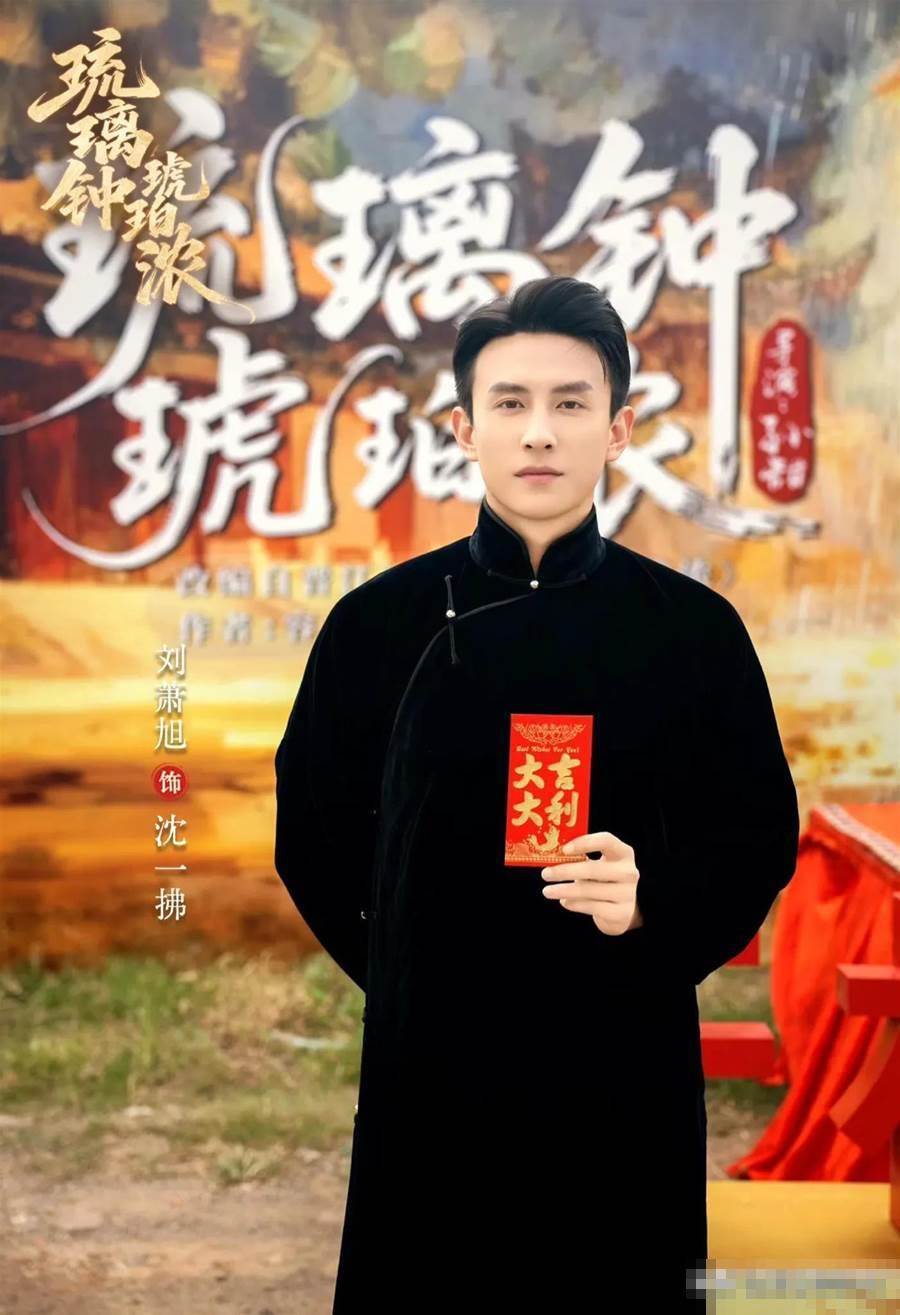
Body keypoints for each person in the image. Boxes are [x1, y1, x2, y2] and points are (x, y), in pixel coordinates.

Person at [274, 275, 800, 1313]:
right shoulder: (379, 624)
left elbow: (755, 832)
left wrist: (653, 903)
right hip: (435, 1062)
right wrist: (407, 967)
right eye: (510, 403)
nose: (540, 432)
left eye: (571, 402)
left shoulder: (691, 631)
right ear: (466, 428)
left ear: (620, 428)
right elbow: (315, 828)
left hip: (622, 1050)